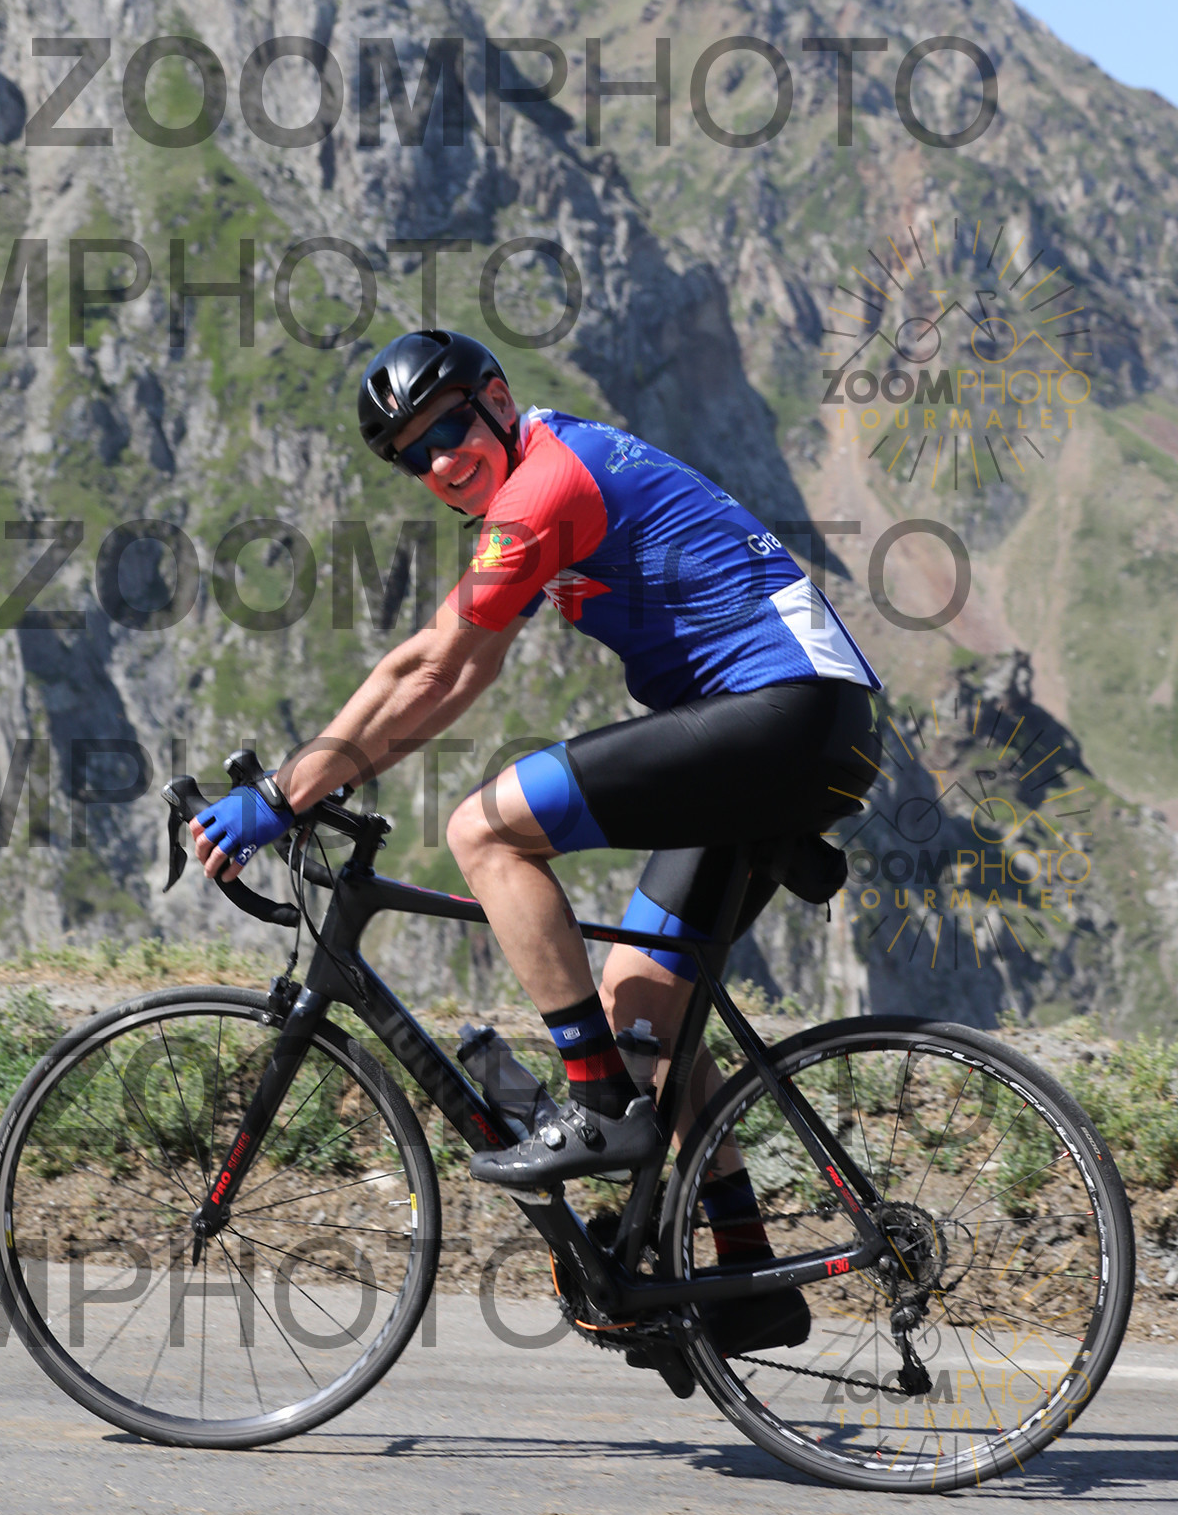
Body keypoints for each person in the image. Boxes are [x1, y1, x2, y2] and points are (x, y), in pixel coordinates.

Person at [191, 328, 882, 1353]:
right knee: (643, 1003)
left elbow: (434, 669)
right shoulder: (539, 479)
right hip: (802, 728)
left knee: (485, 831)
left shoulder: (544, 488)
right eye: (414, 457)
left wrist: (286, 799)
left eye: (450, 430)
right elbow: (445, 667)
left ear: (499, 402)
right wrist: (303, 779)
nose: (440, 463)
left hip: (778, 712)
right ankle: (747, 1274)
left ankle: (592, 1105)